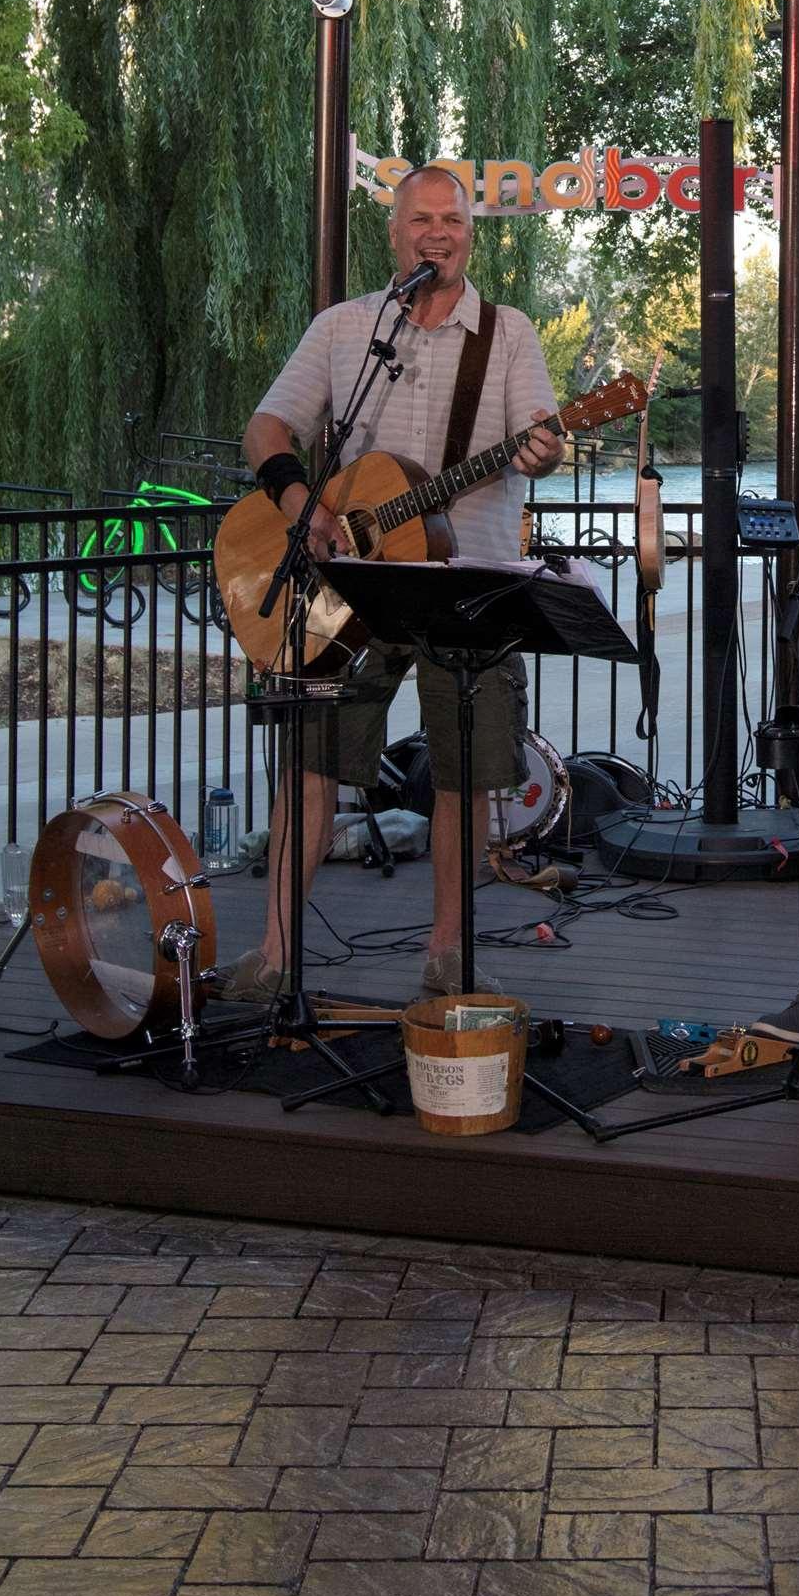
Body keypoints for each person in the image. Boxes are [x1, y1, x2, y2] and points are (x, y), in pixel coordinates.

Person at [237, 166, 564, 990]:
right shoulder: (348, 328)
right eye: (421, 219)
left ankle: (447, 956)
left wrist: (545, 447)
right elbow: (268, 424)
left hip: (469, 582)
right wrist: (304, 501)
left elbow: (542, 432)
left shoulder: (510, 333)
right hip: (352, 580)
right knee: (309, 761)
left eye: (451, 219)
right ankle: (276, 956)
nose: (437, 233)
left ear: (470, 234)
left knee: (461, 774)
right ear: (394, 233)